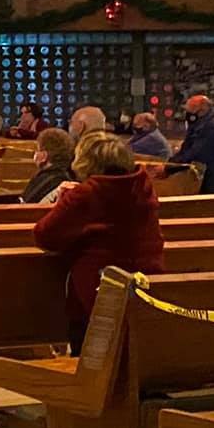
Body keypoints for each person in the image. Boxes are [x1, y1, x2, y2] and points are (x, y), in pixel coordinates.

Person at [32, 131, 164, 350]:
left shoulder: (88, 194)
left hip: (98, 295)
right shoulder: (143, 187)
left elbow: (44, 235)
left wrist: (64, 202)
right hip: (148, 286)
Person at [21, 127, 75, 203]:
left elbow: (24, 205)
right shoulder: (69, 177)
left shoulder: (44, 180)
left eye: (37, 150)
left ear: (44, 156)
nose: (35, 153)